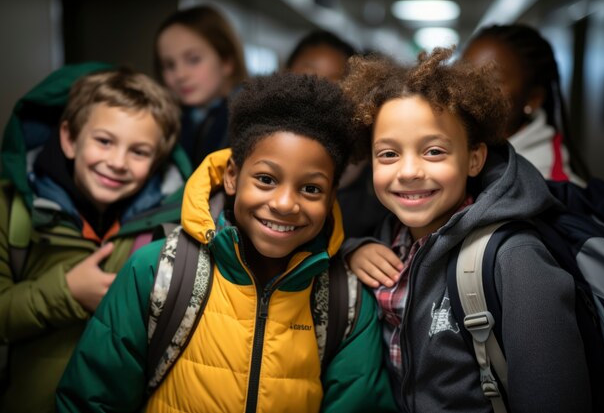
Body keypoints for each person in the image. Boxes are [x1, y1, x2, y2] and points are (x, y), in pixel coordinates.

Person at [56, 72, 397, 413]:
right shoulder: (157, 271)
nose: (284, 203)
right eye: (266, 179)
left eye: (311, 188)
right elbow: (90, 401)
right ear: (232, 176)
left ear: (331, 196)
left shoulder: (346, 302)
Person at [340, 47, 592, 412]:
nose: (408, 171)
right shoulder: (387, 237)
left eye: (434, 152)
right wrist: (353, 249)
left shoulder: (516, 260)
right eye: (389, 154)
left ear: (474, 158)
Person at [0, 65, 190, 413]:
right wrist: (65, 292)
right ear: (70, 139)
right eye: (104, 141)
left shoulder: (173, 228)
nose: (117, 162)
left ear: (157, 160)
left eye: (139, 152)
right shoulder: (10, 210)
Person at [286, 29, 389, 239]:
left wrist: (355, 249)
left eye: (335, 82)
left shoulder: (371, 165)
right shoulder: (260, 142)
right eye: (307, 77)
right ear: (284, 74)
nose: (319, 91)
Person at [462, 23, 590, 185]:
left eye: (491, 81)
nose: (469, 90)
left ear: (533, 98)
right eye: (462, 74)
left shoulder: (551, 189)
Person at [154, 4, 248, 167]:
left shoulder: (250, 119)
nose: (180, 75)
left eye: (194, 59)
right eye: (169, 65)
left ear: (226, 61)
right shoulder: (167, 121)